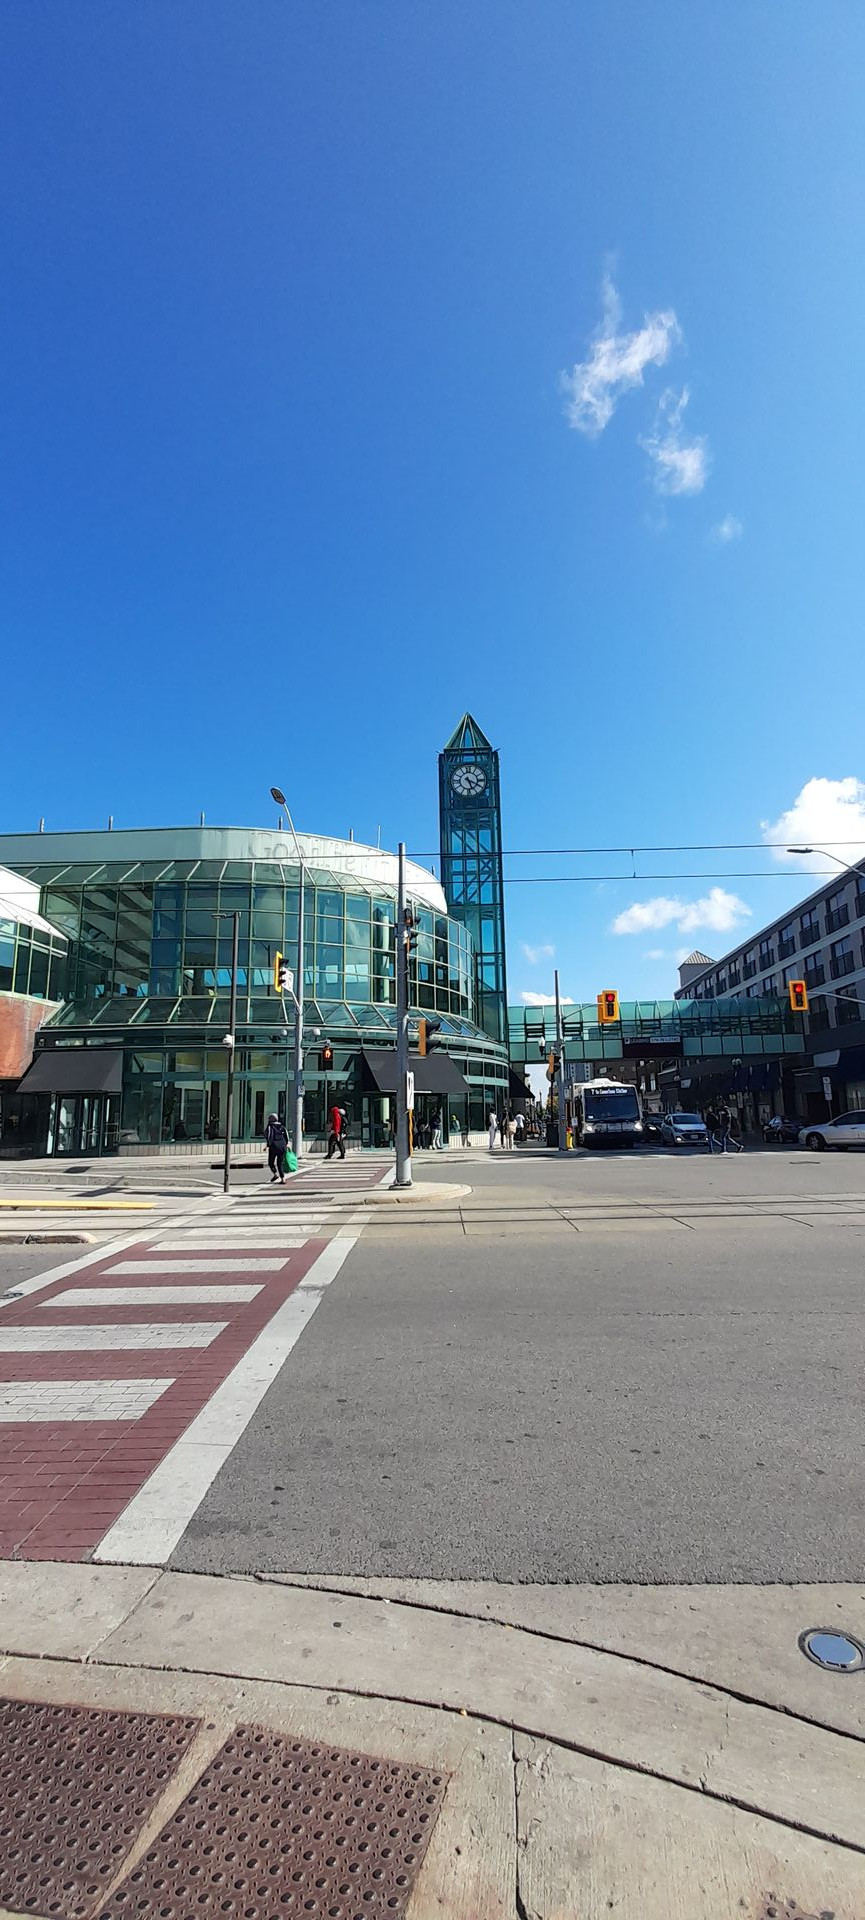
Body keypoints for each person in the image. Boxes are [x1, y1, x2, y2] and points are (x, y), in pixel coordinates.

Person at [265, 1111, 288, 1183]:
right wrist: (286, 1144)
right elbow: (286, 1136)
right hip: (282, 1147)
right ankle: (283, 1178)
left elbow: (269, 1136)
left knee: (271, 1162)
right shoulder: (282, 1126)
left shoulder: (270, 1127)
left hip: (274, 1147)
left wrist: (268, 1145)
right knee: (279, 1163)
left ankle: (275, 1174)